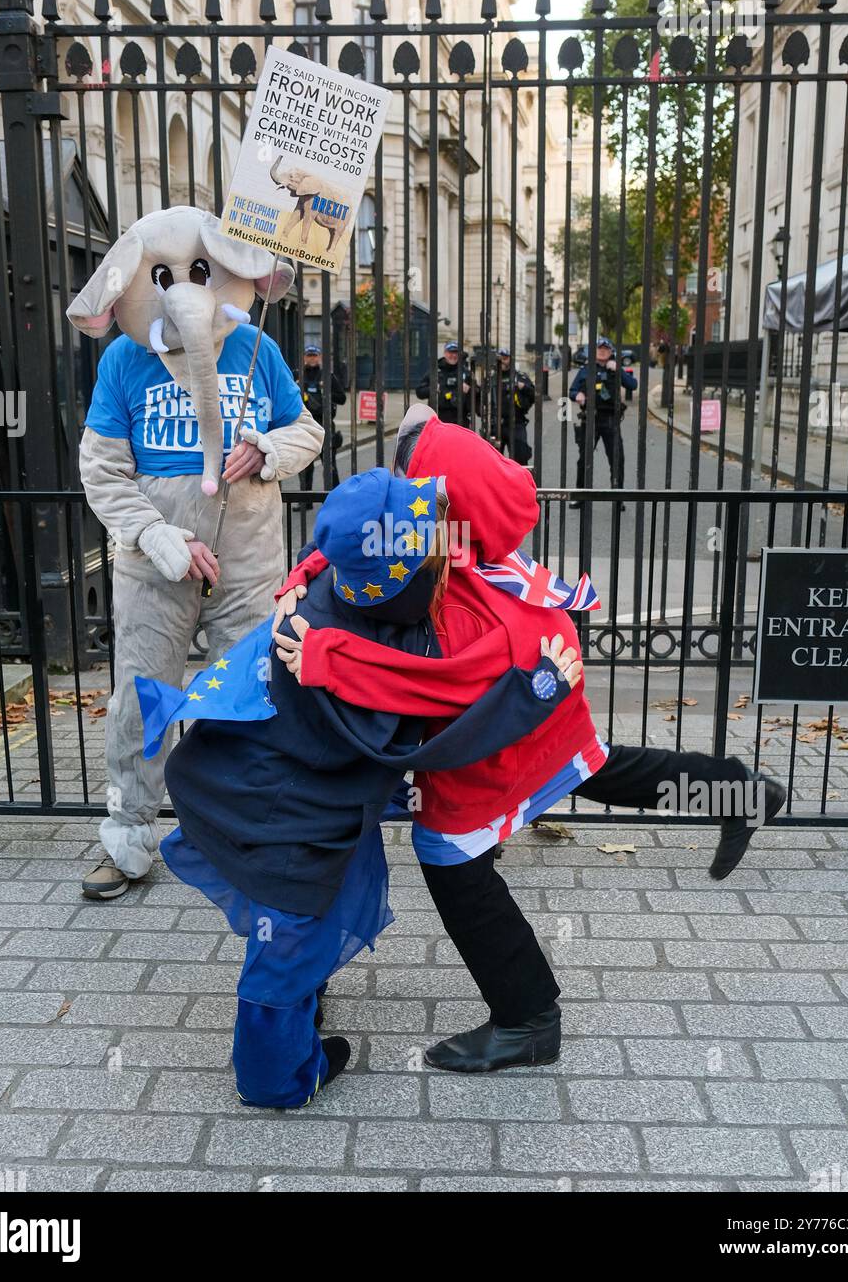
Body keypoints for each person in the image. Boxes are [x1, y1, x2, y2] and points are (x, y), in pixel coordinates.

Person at [274, 406, 787, 1073]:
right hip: (540, 696)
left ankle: (527, 1018)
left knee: (452, 858)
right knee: (594, 766)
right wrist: (300, 576)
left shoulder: (460, 603)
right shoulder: (466, 541)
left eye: (415, 485)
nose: (404, 494)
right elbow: (358, 529)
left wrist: (323, 657)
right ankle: (741, 791)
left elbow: (426, 683)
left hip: (511, 717)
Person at [159, 466, 581, 1107]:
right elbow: (449, 736)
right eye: (428, 540)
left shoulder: (335, 591)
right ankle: (276, 1079)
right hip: (280, 814)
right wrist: (537, 690)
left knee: (301, 925)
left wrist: (300, 575)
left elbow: (326, 547)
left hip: (263, 783)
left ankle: (298, 1024)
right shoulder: (358, 658)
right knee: (288, 944)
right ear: (404, 573)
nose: (443, 543)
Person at [67, 207, 323, 900]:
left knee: (250, 696)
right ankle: (128, 835)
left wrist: (269, 449)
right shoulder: (124, 360)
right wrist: (156, 535)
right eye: (166, 276)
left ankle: (250, 833)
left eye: (201, 272)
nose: (186, 289)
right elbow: (102, 470)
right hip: (155, 565)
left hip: (247, 560)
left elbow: (307, 430)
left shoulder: (256, 350)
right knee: (142, 699)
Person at [568, 337, 637, 510]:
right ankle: (580, 496)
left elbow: (633, 385)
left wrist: (619, 370)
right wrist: (577, 396)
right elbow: (572, 390)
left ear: (611, 351)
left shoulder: (615, 368)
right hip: (589, 419)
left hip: (610, 420)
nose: (602, 351)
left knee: (616, 459)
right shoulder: (586, 370)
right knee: (584, 460)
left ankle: (617, 497)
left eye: (606, 348)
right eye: (600, 348)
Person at [299, 343, 347, 490]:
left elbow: (342, 398)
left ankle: (335, 496)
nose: (312, 358)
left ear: (319, 357)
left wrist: (326, 394)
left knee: (329, 464)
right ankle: (305, 500)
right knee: (305, 465)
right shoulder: (299, 375)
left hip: (324, 424)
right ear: (304, 357)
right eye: (309, 355)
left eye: (314, 355)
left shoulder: (328, 376)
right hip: (305, 424)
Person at [491, 348, 534, 465]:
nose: (503, 361)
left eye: (505, 358)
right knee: (492, 462)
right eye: (500, 359)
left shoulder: (519, 376)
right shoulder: (492, 378)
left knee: (520, 460)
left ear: (510, 359)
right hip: (496, 424)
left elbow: (534, 395)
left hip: (516, 423)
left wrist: (523, 387)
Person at [416, 340, 475, 426]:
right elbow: (419, 392)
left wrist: (470, 390)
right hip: (439, 419)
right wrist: (432, 389)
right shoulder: (435, 371)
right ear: (445, 353)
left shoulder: (465, 372)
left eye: (456, 352)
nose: (453, 355)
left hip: (460, 420)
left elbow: (478, 393)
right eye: (450, 352)